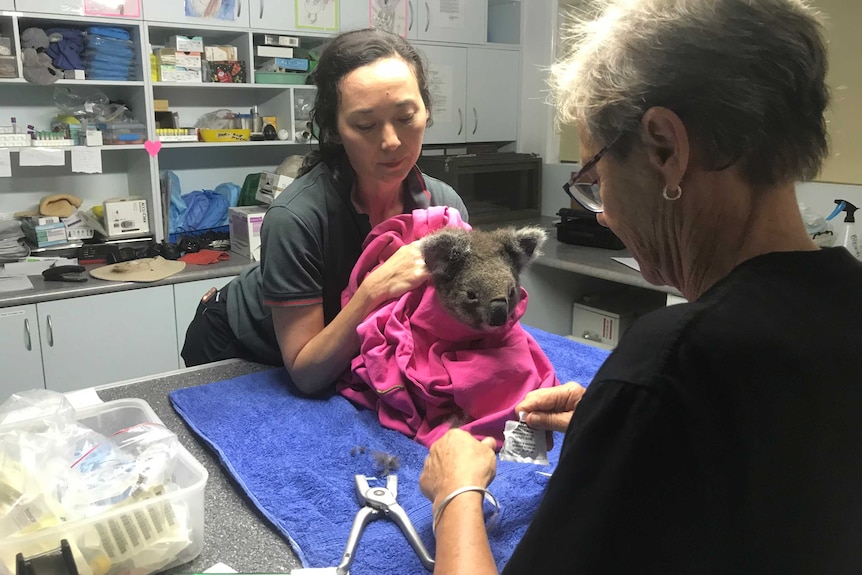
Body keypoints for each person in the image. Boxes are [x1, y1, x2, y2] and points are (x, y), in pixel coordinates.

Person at [419, 0, 862, 573]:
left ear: (664, 148)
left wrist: (455, 494)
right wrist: (618, 425)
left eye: (596, 179)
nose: (601, 214)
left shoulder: (673, 364)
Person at [181, 29, 468, 395]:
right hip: (238, 346)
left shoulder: (444, 208)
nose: (392, 141)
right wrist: (374, 290)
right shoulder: (296, 217)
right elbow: (306, 372)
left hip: (339, 353)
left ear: (426, 111)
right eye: (365, 125)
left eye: (406, 116)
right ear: (334, 129)